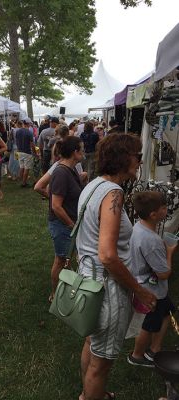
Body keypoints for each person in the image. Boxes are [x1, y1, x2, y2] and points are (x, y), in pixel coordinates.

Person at [76, 134, 156, 400]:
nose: (140, 161)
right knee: (102, 363)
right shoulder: (113, 192)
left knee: (92, 343)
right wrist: (139, 290)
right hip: (107, 288)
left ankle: (89, 394)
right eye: (137, 155)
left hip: (88, 281)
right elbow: (108, 256)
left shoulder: (93, 185)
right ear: (123, 158)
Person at [127, 191, 177, 367]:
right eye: (163, 207)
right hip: (151, 290)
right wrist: (170, 253)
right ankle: (137, 356)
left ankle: (155, 349)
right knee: (148, 324)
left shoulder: (138, 227)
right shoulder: (152, 240)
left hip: (146, 284)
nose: (166, 209)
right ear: (153, 214)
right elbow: (164, 273)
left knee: (166, 312)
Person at [48, 136, 84, 301]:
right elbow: (56, 205)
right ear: (75, 152)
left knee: (65, 259)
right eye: (81, 149)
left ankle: (65, 289)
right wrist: (71, 224)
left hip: (68, 223)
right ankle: (55, 294)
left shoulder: (71, 169)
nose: (83, 152)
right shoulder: (61, 172)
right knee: (61, 259)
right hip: (63, 224)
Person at [16, 117, 36, 187]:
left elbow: (17, 141)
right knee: (26, 168)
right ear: (28, 124)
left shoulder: (17, 131)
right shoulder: (29, 132)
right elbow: (32, 144)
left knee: (22, 167)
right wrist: (35, 153)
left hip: (19, 151)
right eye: (30, 123)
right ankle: (24, 183)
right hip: (27, 152)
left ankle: (21, 180)